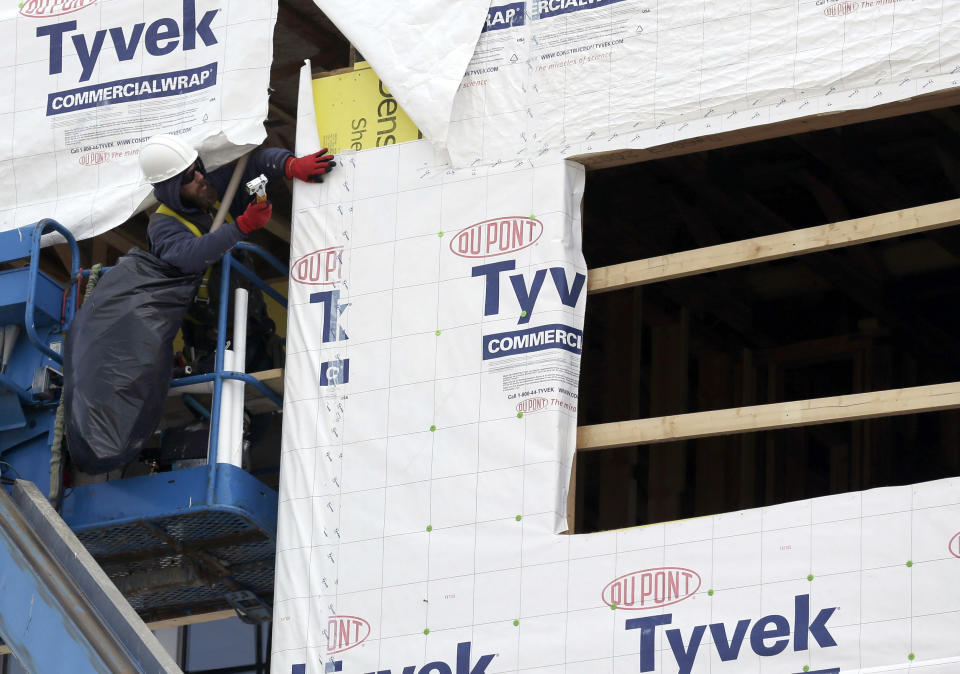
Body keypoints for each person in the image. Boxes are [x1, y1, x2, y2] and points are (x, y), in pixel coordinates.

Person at [138, 134, 336, 372]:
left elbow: (258, 165)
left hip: (257, 334)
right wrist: (241, 227)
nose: (201, 177)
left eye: (198, 168)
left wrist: (290, 165)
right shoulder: (163, 225)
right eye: (190, 176)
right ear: (171, 188)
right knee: (231, 404)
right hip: (214, 348)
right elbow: (186, 257)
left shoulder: (214, 191)